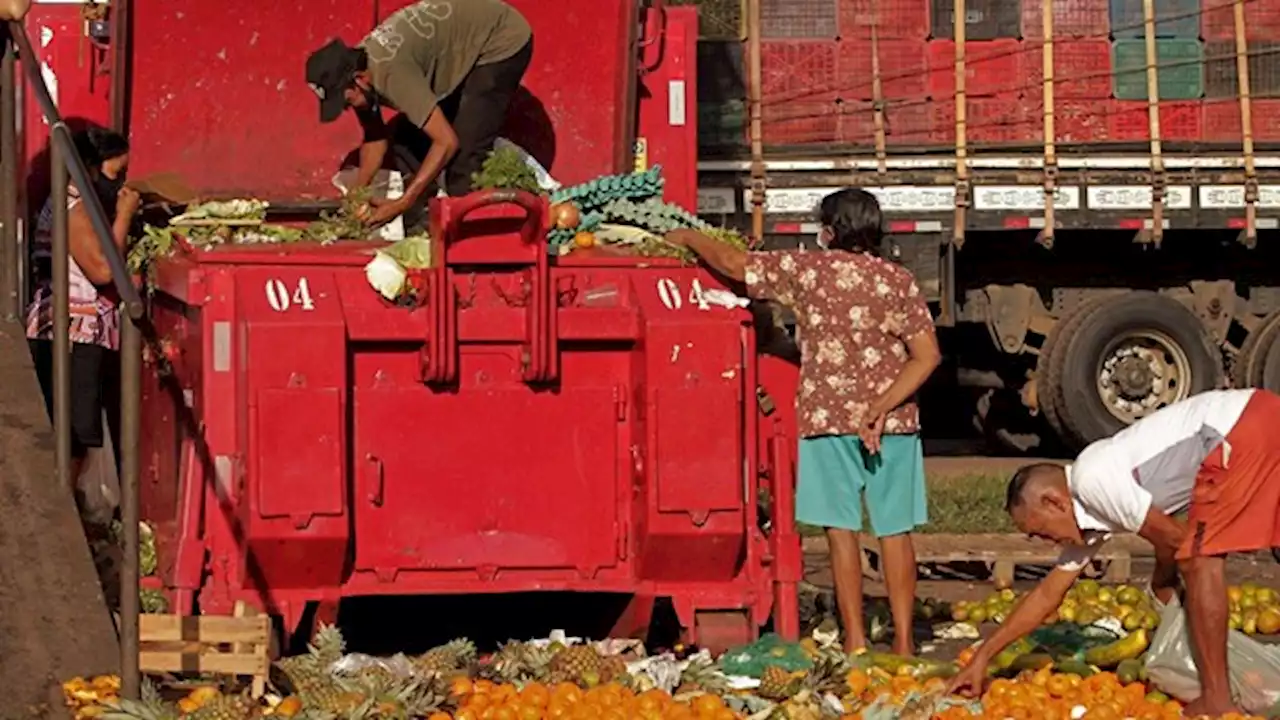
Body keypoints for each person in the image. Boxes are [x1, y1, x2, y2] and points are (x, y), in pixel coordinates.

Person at [665, 188, 941, 655]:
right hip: (892, 423)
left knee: (841, 533)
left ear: (828, 232)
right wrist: (879, 406)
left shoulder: (807, 272)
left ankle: (854, 641)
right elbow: (927, 356)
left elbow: (735, 265)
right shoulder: (898, 281)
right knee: (895, 532)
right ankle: (905, 645)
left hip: (828, 419)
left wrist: (689, 235)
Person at [947, 387, 1280, 716]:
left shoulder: (1091, 479)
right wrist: (983, 659)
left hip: (1236, 428)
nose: (1042, 541)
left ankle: (1217, 700)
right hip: (1261, 415)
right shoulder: (1089, 516)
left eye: (1038, 530)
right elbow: (1047, 595)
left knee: (1203, 559)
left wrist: (1164, 583)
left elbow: (1182, 547)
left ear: (1053, 501)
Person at [304, 0, 533, 231]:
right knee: (406, 143)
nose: (345, 109)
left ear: (358, 80)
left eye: (345, 101)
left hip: (501, 38)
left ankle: (470, 249)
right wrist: (356, 195)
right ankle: (421, 231)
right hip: (459, 42)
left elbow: (447, 142)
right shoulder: (360, 74)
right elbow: (375, 139)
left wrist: (402, 203)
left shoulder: (392, 75)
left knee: (465, 159)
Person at [26, 126, 139, 509]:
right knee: (73, 437)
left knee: (74, 435)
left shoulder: (69, 203)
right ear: (89, 167)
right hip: (71, 331)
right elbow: (103, 270)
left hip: (70, 328)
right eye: (114, 173)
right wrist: (124, 215)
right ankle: (58, 516)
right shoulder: (74, 207)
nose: (119, 183)